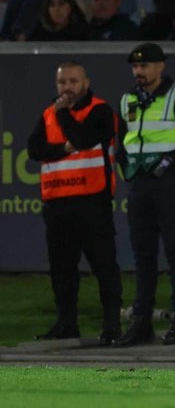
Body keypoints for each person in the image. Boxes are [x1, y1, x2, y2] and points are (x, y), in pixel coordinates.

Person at [113, 43, 175, 347]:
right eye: (135, 67)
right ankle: (141, 321)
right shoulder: (128, 99)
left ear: (160, 67)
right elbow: (122, 143)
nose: (138, 72)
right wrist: (128, 171)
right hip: (139, 184)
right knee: (142, 255)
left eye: (144, 66)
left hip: (168, 184)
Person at [27, 61, 122, 346]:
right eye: (62, 82)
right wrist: (63, 148)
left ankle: (111, 327)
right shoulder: (48, 113)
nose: (66, 87)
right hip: (57, 204)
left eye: (72, 81)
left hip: (92, 201)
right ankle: (67, 324)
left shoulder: (100, 111)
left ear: (86, 83)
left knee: (104, 266)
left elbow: (82, 139)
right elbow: (34, 149)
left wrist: (63, 115)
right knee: (62, 269)